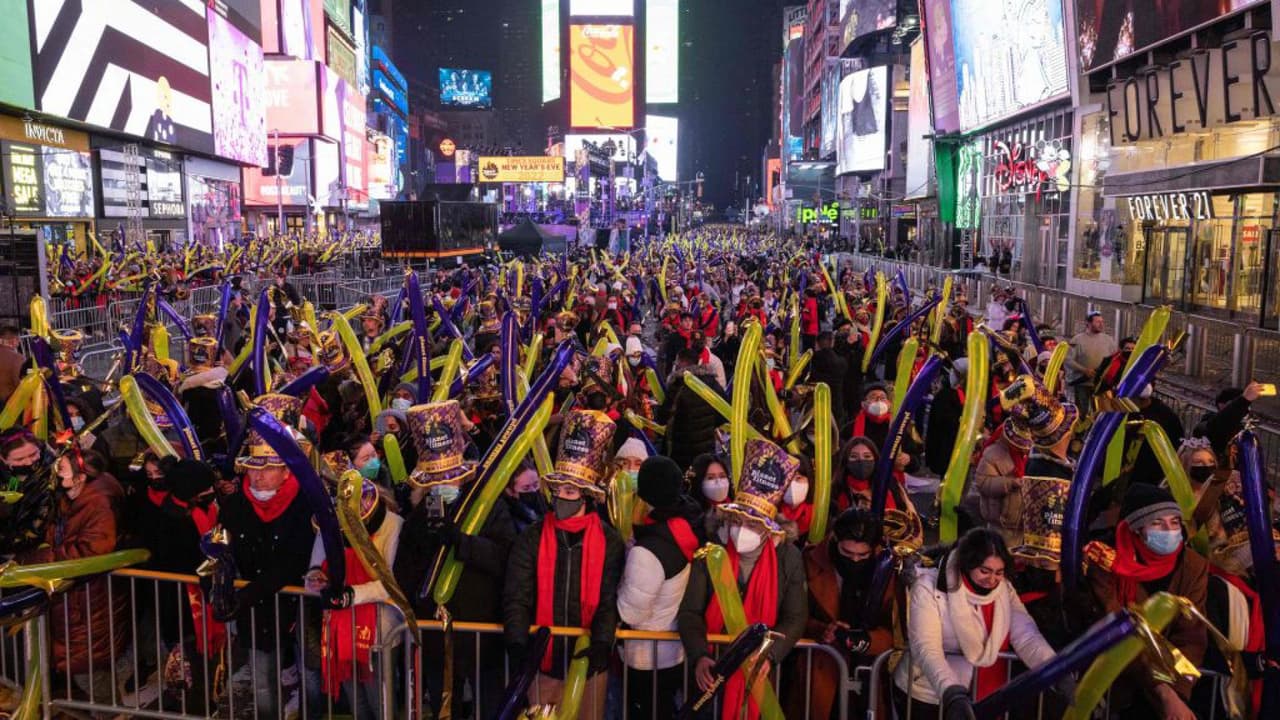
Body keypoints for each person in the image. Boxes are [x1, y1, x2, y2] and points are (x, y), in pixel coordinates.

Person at [394, 400, 514, 717]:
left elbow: (503, 558)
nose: (444, 484)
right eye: (436, 479)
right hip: (436, 638)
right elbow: (404, 574)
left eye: (449, 477)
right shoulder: (419, 517)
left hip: (481, 636)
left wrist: (459, 542)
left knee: (489, 706)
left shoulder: (490, 506)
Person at [503, 410, 625, 719]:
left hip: (588, 665)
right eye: (557, 491)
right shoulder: (532, 537)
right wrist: (518, 641)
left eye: (569, 492)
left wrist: (601, 643)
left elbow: (608, 598)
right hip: (542, 662)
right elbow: (517, 594)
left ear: (585, 496)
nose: (561, 498)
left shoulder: (609, 541)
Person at [678, 438, 808, 720]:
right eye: (737, 521)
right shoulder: (711, 552)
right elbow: (690, 611)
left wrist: (770, 656)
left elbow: (795, 616)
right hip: (711, 672)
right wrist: (699, 655)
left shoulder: (788, 558)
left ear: (767, 529)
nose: (741, 529)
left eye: (752, 524)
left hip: (760, 677)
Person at [216, 399, 317, 719]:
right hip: (256, 614)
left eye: (268, 469)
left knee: (311, 677)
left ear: (287, 471)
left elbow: (295, 560)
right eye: (253, 469)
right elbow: (222, 547)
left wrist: (248, 592)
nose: (257, 477)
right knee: (261, 681)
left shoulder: (305, 504)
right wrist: (218, 583)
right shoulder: (235, 505)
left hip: (300, 609)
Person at [894, 528, 1056, 718]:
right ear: (967, 565)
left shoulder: (1005, 590)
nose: (992, 580)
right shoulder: (928, 587)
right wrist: (951, 692)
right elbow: (926, 648)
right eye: (985, 571)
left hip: (976, 696)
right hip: (926, 695)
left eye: (999, 572)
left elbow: (1026, 636)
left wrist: (1055, 668)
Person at [1086, 484, 1208, 720]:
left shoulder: (1192, 566)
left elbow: (1192, 635)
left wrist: (1175, 693)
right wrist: (1162, 691)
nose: (1169, 530)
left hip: (1171, 686)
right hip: (1114, 681)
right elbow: (1120, 631)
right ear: (1137, 529)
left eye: (1174, 522)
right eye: (1157, 523)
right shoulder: (1106, 561)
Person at [20, 449, 127, 706]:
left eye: (63, 469)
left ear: (80, 477)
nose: (57, 473)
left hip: (88, 602)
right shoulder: (72, 498)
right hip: (76, 602)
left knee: (89, 672)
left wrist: (36, 560)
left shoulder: (98, 504)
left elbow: (89, 551)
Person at [305, 480, 403, 720]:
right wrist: (317, 579)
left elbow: (391, 583)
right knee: (356, 704)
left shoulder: (393, 526)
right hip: (340, 627)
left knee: (380, 703)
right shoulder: (329, 526)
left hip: (380, 630)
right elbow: (314, 570)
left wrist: (351, 595)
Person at [789, 508, 897, 719]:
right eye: (847, 553)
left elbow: (896, 629)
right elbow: (794, 615)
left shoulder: (887, 571)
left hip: (868, 676)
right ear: (835, 540)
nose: (855, 560)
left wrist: (865, 640)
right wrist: (823, 630)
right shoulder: (808, 562)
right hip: (819, 671)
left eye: (862, 555)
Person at [617, 456, 702, 719]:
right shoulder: (684, 529)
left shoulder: (648, 550)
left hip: (644, 655)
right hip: (672, 650)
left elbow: (631, 613)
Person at [659, 347, 722, 472]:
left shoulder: (678, 384)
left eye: (677, 361)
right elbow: (723, 411)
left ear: (682, 362)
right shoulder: (711, 382)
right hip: (706, 447)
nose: (675, 365)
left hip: (681, 449)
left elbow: (663, 417)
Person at [974, 419, 1034, 546]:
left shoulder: (1027, 457)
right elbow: (982, 483)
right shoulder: (993, 455)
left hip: (1021, 524)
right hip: (1000, 523)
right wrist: (1009, 483)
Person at [1065, 310, 1117, 410]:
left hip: (1101, 384)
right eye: (1098, 322)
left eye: (1102, 322)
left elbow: (1114, 358)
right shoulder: (1077, 340)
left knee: (1101, 411)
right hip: (1083, 383)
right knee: (1082, 411)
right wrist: (1084, 370)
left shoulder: (1109, 340)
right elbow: (1068, 360)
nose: (1101, 324)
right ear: (1088, 324)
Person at [809, 330, 849, 428]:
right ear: (832, 343)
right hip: (837, 404)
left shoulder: (812, 362)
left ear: (817, 344)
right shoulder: (842, 362)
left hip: (818, 404)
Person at [0, 325, 24, 405]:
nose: (19, 342)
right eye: (18, 340)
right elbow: (20, 384)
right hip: (8, 407)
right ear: (14, 340)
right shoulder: (17, 358)